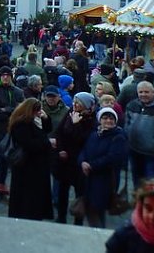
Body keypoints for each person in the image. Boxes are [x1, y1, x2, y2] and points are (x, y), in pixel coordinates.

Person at [78, 107, 129, 227]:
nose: (108, 121)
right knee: (91, 207)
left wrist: (91, 165)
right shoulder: (94, 134)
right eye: (105, 118)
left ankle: (98, 234)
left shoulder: (118, 136)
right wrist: (82, 162)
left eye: (111, 118)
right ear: (99, 120)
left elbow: (112, 157)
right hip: (89, 178)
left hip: (104, 179)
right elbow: (84, 150)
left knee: (97, 208)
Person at [52, 91, 98, 224]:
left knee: (80, 192)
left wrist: (76, 124)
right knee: (62, 190)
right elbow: (60, 131)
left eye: (78, 103)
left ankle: (78, 219)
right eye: (75, 102)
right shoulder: (71, 112)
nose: (75, 104)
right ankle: (61, 217)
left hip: (79, 161)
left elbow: (84, 140)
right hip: (65, 159)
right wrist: (60, 149)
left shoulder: (92, 120)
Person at [7, 97, 54, 221]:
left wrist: (45, 118)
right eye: (37, 110)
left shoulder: (31, 121)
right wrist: (47, 142)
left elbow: (46, 129)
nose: (39, 113)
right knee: (28, 200)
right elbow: (31, 144)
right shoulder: (21, 124)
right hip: (27, 167)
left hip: (33, 167)